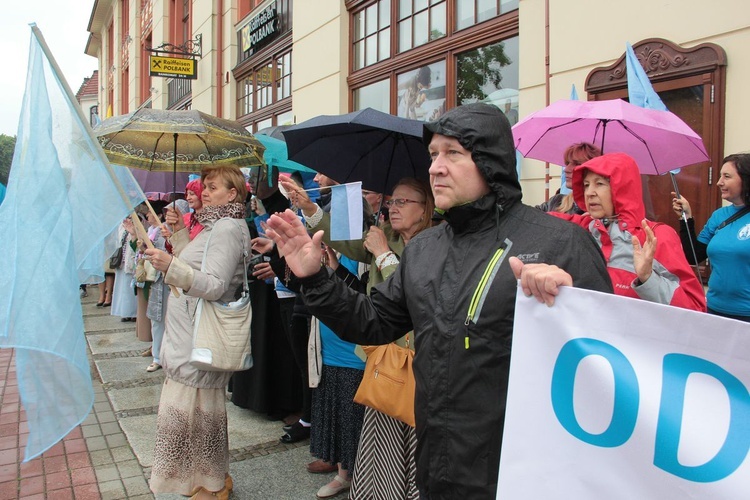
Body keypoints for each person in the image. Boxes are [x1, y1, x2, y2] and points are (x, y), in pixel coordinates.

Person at [264, 103, 613, 499]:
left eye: (453, 153)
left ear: (490, 160)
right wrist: (314, 278)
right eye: (433, 155)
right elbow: (373, 321)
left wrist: (569, 304)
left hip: (520, 471)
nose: (436, 167)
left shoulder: (560, 243)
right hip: (437, 464)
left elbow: (603, 370)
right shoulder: (426, 248)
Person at [281, 176, 435, 499]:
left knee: (416, 447)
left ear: (425, 210)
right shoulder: (388, 236)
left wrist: (383, 255)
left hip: (418, 367)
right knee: (382, 447)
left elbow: (415, 298)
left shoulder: (436, 244)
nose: (393, 208)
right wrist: (309, 208)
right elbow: (346, 241)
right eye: (392, 201)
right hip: (384, 362)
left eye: (403, 203)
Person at [145, 165, 251, 499]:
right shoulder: (213, 225)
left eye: (213, 187)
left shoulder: (227, 228)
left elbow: (217, 284)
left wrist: (171, 267)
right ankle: (208, 479)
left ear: (232, 194)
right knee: (201, 418)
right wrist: (176, 238)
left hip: (197, 339)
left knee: (196, 419)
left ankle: (208, 483)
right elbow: (199, 264)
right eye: (204, 186)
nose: (204, 192)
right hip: (186, 337)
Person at [553, 152, 706, 311]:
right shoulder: (583, 228)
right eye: (586, 185)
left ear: (622, 187)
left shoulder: (655, 236)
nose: (590, 192)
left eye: (599, 184)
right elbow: (534, 220)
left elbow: (695, 309)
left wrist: (648, 279)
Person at [672, 153, 750, 321]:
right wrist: (686, 218)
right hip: (714, 310)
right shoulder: (719, 216)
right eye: (720, 176)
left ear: (746, 180)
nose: (719, 182)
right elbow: (693, 255)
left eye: (727, 176)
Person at [537, 142, 601, 214]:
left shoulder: (605, 211)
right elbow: (526, 216)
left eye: (577, 164)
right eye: (567, 163)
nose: (566, 169)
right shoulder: (556, 202)